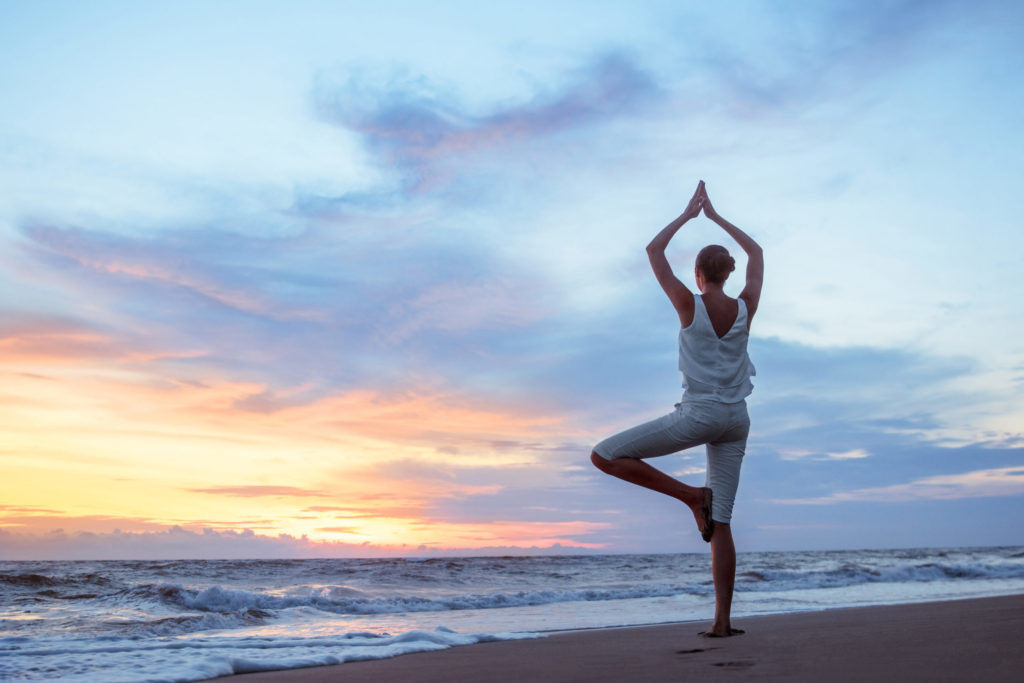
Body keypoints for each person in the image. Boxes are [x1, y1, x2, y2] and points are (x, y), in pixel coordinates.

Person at [590, 180, 763, 638]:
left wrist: (690, 214)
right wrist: (719, 217)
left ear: (700, 274)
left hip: (701, 414)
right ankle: (722, 624)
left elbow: (653, 250)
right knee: (721, 521)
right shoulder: (746, 306)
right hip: (737, 420)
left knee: (603, 455)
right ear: (727, 272)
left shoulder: (689, 303)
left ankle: (690, 497)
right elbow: (758, 252)